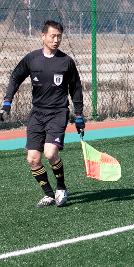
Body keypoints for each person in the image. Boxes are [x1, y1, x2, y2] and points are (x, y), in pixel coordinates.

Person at [0, 20, 85, 207]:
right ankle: (48, 194)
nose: (56, 40)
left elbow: (76, 89)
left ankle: (61, 187)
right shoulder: (31, 59)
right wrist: (7, 102)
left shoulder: (66, 62)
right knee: (32, 159)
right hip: (37, 114)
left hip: (58, 112)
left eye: (59, 36)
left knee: (50, 153)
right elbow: (15, 78)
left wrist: (79, 115)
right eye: (53, 36)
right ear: (43, 36)